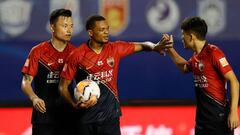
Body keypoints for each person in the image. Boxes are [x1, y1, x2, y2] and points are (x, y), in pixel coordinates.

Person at [58, 15, 171, 135]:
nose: (106, 32)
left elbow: (143, 45)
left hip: (110, 118)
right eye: (102, 30)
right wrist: (74, 104)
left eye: (107, 29)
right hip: (85, 119)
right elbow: (63, 86)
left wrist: (154, 46)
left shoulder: (115, 48)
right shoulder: (77, 55)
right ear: (91, 33)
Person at [155, 17, 239, 135]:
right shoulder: (196, 57)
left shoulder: (214, 53)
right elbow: (184, 67)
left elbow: (234, 81)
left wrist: (234, 112)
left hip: (219, 120)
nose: (182, 38)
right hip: (201, 123)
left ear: (191, 36)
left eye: (183, 34)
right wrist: (169, 49)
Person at [21, 9, 76, 135]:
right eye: (64, 26)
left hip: (68, 116)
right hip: (44, 117)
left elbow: (82, 82)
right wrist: (34, 97)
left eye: (71, 26)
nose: (69, 30)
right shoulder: (38, 51)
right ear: (52, 27)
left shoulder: (75, 53)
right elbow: (26, 81)